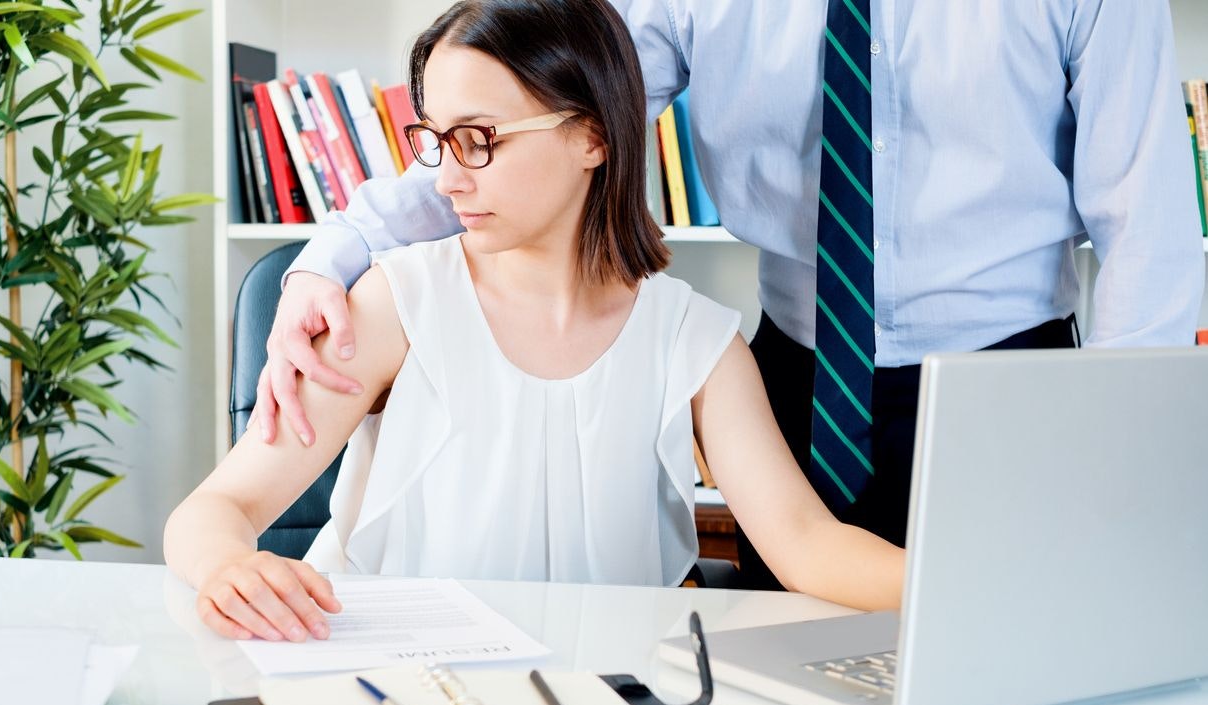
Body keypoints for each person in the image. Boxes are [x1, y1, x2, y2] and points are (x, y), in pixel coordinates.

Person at [253, 0, 1206, 590]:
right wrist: (329, 254)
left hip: (1012, 381)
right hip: (799, 373)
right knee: (800, 659)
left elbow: (1147, 231)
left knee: (1013, 644)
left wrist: (1120, 467)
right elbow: (539, 118)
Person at [166, 0, 904, 643]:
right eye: (437, 140)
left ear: (592, 136)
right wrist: (230, 564)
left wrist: (987, 591)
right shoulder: (395, 303)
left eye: (480, 139)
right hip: (391, 679)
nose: (448, 178)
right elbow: (215, 508)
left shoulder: (696, 342)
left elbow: (808, 546)